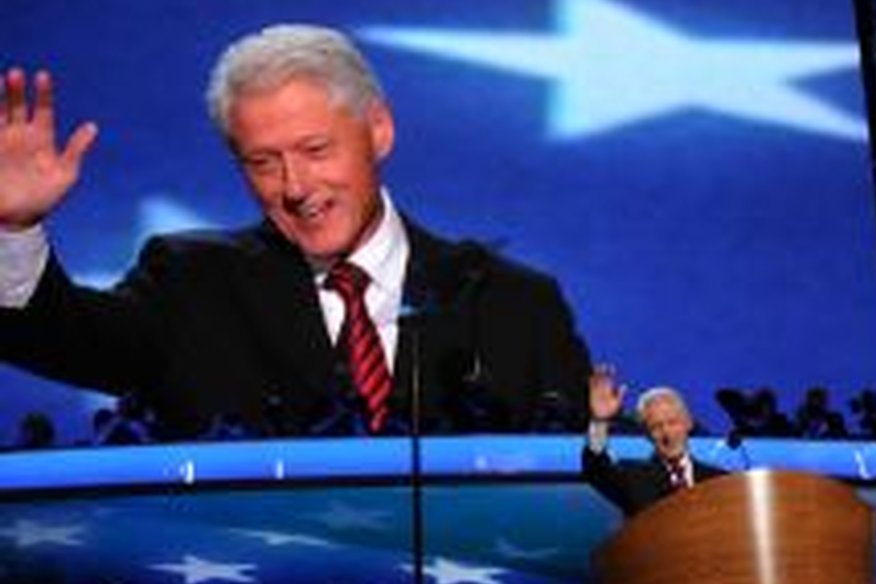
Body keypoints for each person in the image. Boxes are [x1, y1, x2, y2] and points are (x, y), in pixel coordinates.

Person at [0, 24, 591, 440]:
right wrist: (13, 228)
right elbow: (58, 336)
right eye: (263, 162)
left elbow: (590, 476)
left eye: (315, 149)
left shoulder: (513, 304)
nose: (295, 186)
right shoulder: (192, 284)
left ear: (378, 131)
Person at [581, 366, 724, 517]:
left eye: (672, 422)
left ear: (689, 423)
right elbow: (595, 468)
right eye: (656, 427)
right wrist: (600, 421)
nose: (667, 433)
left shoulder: (717, 481)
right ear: (646, 434)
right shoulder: (631, 478)